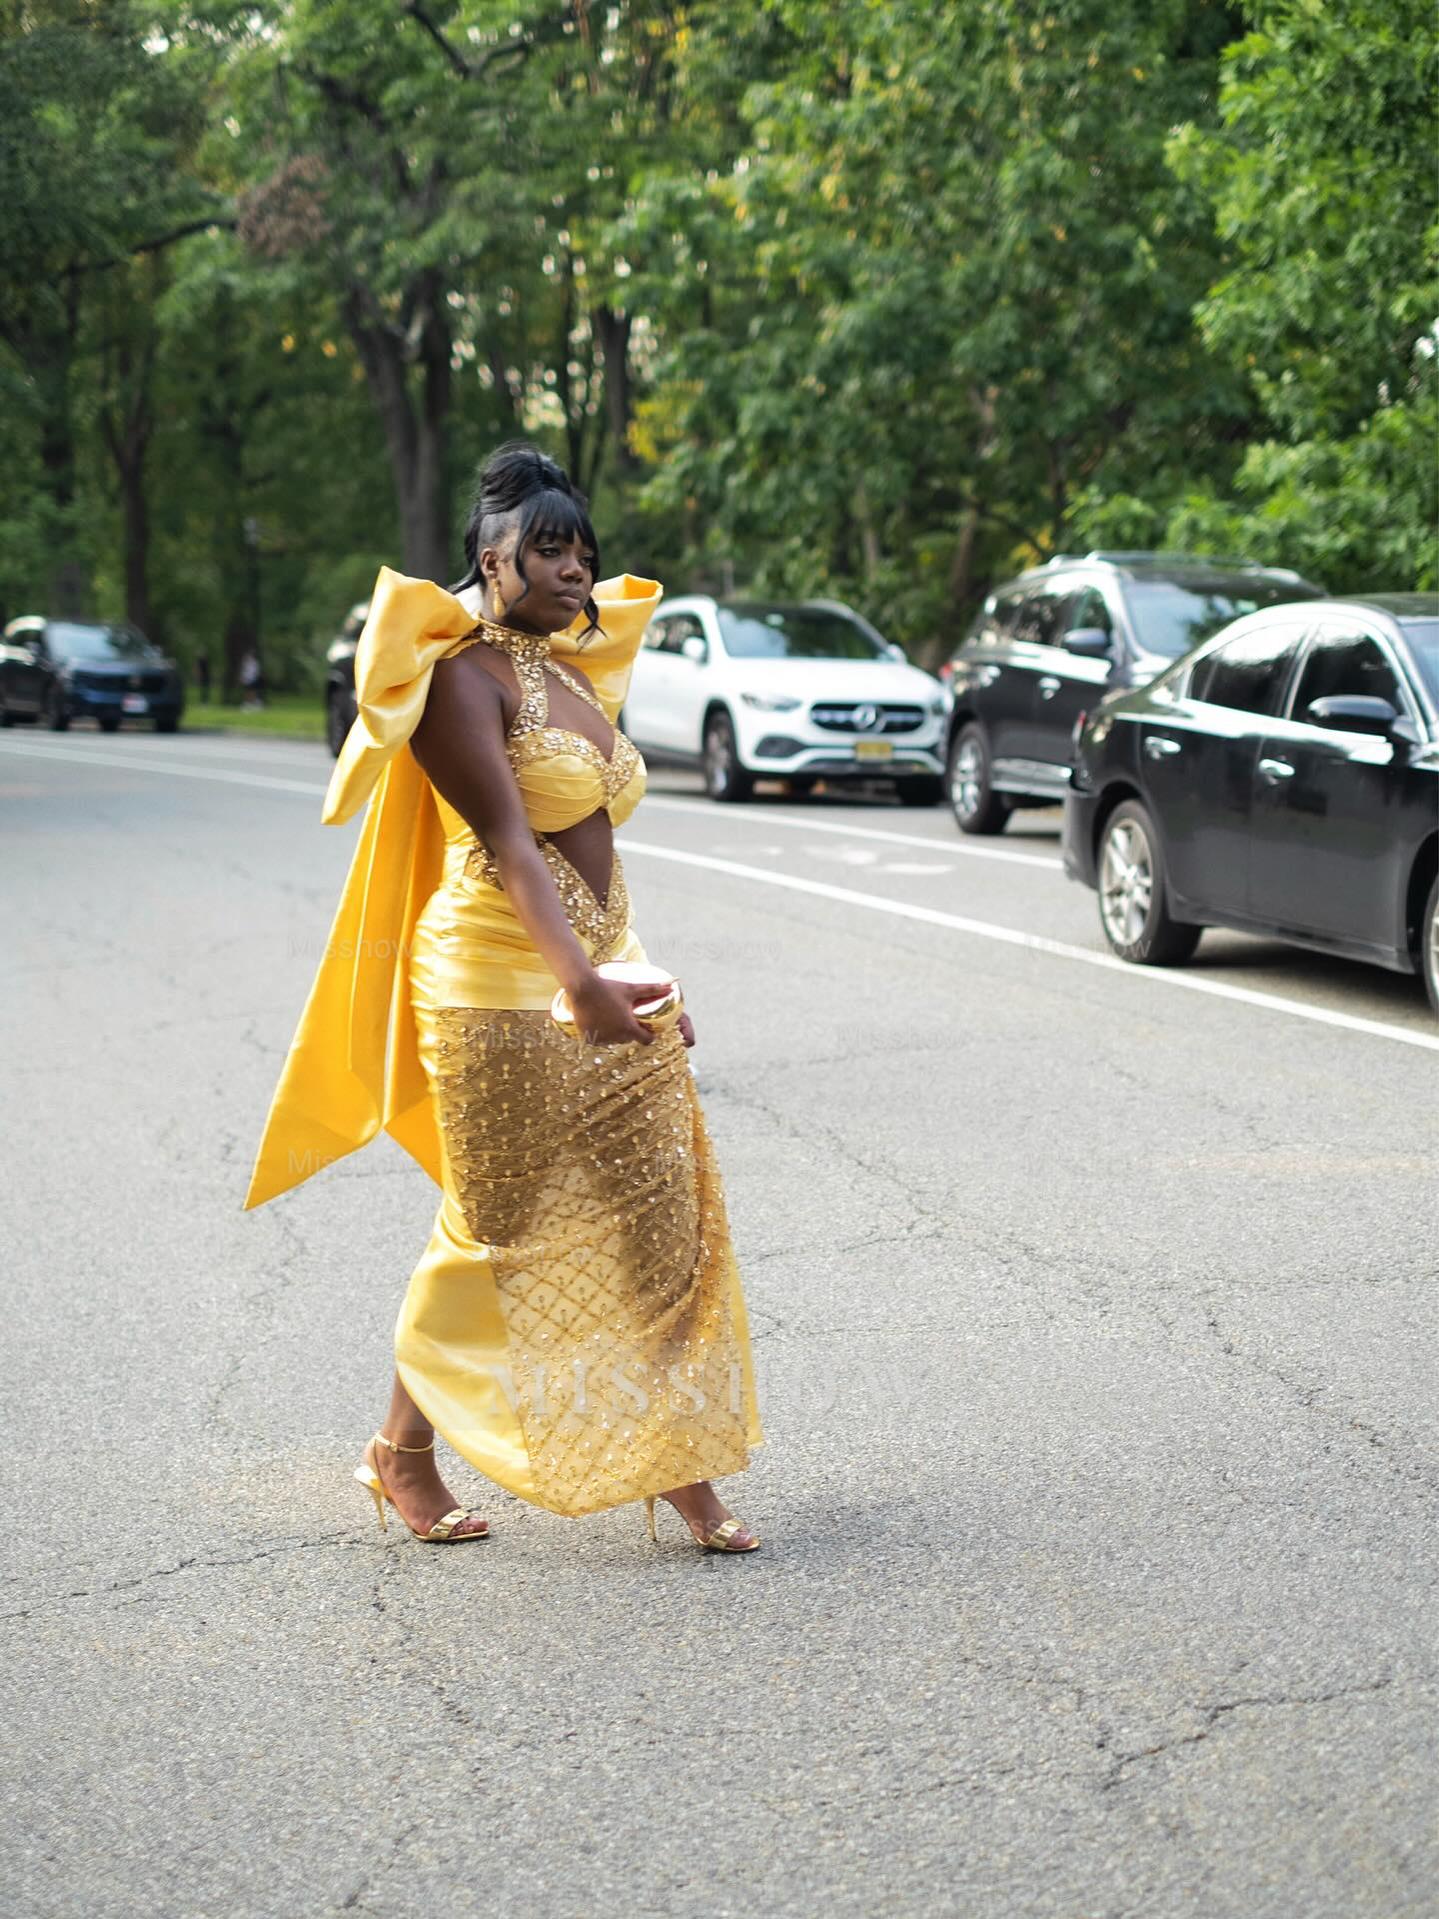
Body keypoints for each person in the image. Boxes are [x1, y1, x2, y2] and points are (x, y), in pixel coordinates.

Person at [242, 443, 764, 1551]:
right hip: (490, 977)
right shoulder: (456, 681)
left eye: (582, 548)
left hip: (597, 963)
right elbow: (515, 845)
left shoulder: (571, 676)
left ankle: (679, 1467)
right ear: (492, 555)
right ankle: (401, 1453)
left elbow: (599, 855)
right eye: (549, 547)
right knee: (499, 1223)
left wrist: (640, 972)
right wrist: (578, 985)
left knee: (659, 1214)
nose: (575, 568)